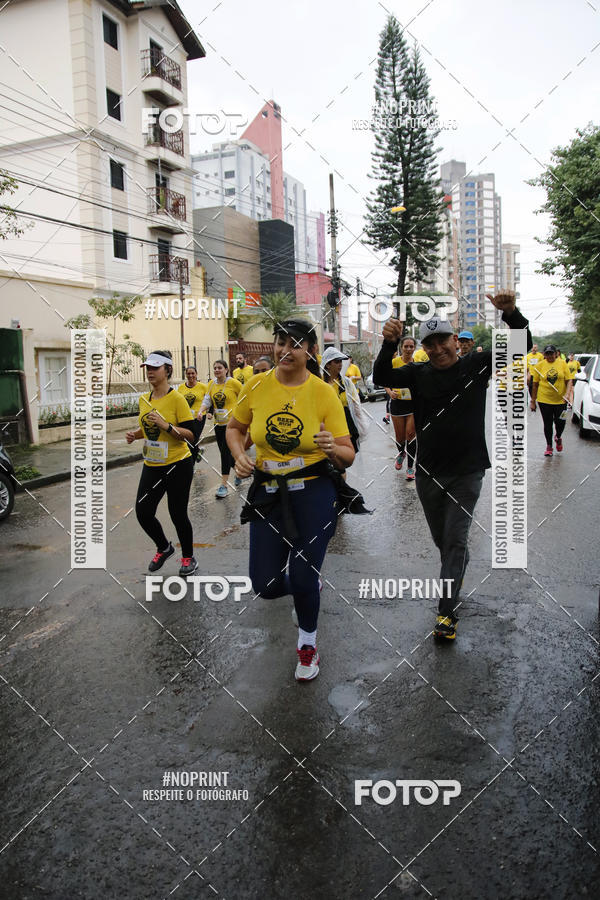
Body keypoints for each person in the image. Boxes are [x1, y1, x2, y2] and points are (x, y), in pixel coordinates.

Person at [373, 290, 532, 641]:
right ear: (424, 347)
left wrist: (511, 313)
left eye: (443, 340)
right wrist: (389, 342)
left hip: (467, 471)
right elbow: (380, 375)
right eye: (430, 343)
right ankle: (455, 565)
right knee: (444, 542)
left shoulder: (475, 365)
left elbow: (519, 347)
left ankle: (446, 613)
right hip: (428, 472)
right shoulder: (417, 373)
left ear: (455, 340)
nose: (438, 348)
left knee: (455, 540)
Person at [226, 317, 355, 682]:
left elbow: (348, 453)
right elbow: (234, 429)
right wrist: (238, 454)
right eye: (280, 342)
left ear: (310, 350)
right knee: (265, 585)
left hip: (314, 492)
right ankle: (308, 587)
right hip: (268, 493)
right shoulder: (256, 385)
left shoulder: (323, 392)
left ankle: (308, 643)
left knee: (301, 572)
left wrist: (333, 450)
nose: (285, 349)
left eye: (295, 343)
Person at [126, 351, 198, 576]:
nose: (150, 372)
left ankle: (188, 558)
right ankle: (164, 547)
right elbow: (149, 427)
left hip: (178, 464)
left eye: (155, 368)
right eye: (147, 367)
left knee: (177, 514)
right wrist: (135, 435)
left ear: (167, 370)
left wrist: (167, 426)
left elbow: (191, 434)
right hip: (153, 464)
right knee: (143, 511)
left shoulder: (177, 399)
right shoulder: (144, 399)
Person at [200, 360, 242, 497]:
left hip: (232, 425)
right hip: (218, 424)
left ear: (226, 369)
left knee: (224, 453)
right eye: (215, 368)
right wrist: (202, 411)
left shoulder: (233, 383)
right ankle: (239, 470)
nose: (217, 370)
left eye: (219, 368)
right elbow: (207, 400)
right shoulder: (211, 384)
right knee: (225, 454)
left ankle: (223, 486)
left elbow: (245, 397)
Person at [321, 347, 369, 453]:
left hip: (346, 428)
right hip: (327, 427)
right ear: (328, 364)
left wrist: (360, 425)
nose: (340, 364)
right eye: (337, 362)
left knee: (344, 458)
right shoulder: (319, 383)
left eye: (341, 362)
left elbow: (356, 405)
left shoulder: (346, 383)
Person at [530, 344, 573, 456]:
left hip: (561, 400)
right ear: (544, 355)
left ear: (556, 354)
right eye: (547, 353)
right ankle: (549, 445)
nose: (550, 356)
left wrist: (567, 395)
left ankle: (558, 437)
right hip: (544, 400)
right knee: (547, 423)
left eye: (551, 353)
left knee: (561, 422)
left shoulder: (563, 363)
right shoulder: (539, 366)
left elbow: (569, 381)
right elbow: (534, 385)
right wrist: (533, 401)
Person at [390, 335, 417, 480]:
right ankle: (401, 453)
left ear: (414, 348)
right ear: (401, 347)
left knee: (411, 435)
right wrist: (389, 392)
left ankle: (410, 468)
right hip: (397, 403)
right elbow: (384, 380)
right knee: (400, 437)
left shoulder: (417, 364)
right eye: (406, 346)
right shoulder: (394, 362)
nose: (408, 349)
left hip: (412, 404)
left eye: (411, 346)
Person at [177, 366, 207, 461]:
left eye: (193, 373)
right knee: (188, 440)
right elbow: (177, 402)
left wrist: (209, 412)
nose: (191, 375)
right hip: (186, 418)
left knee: (193, 439)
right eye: (188, 373)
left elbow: (209, 400)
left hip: (199, 417)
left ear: (196, 374)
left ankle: (191, 463)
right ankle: (198, 452)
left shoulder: (203, 387)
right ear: (186, 375)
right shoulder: (181, 387)